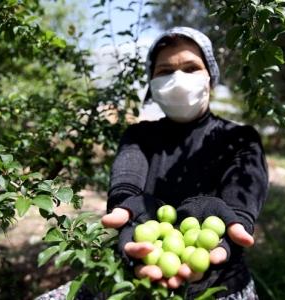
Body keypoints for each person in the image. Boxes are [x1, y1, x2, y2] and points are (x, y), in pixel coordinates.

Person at [35, 26, 268, 300]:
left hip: (222, 287)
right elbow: (126, 189)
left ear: (210, 78)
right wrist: (129, 208)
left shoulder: (240, 139)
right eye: (165, 71)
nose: (178, 78)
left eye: (191, 68)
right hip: (136, 282)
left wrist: (233, 221)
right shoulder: (139, 136)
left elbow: (239, 209)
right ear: (152, 83)